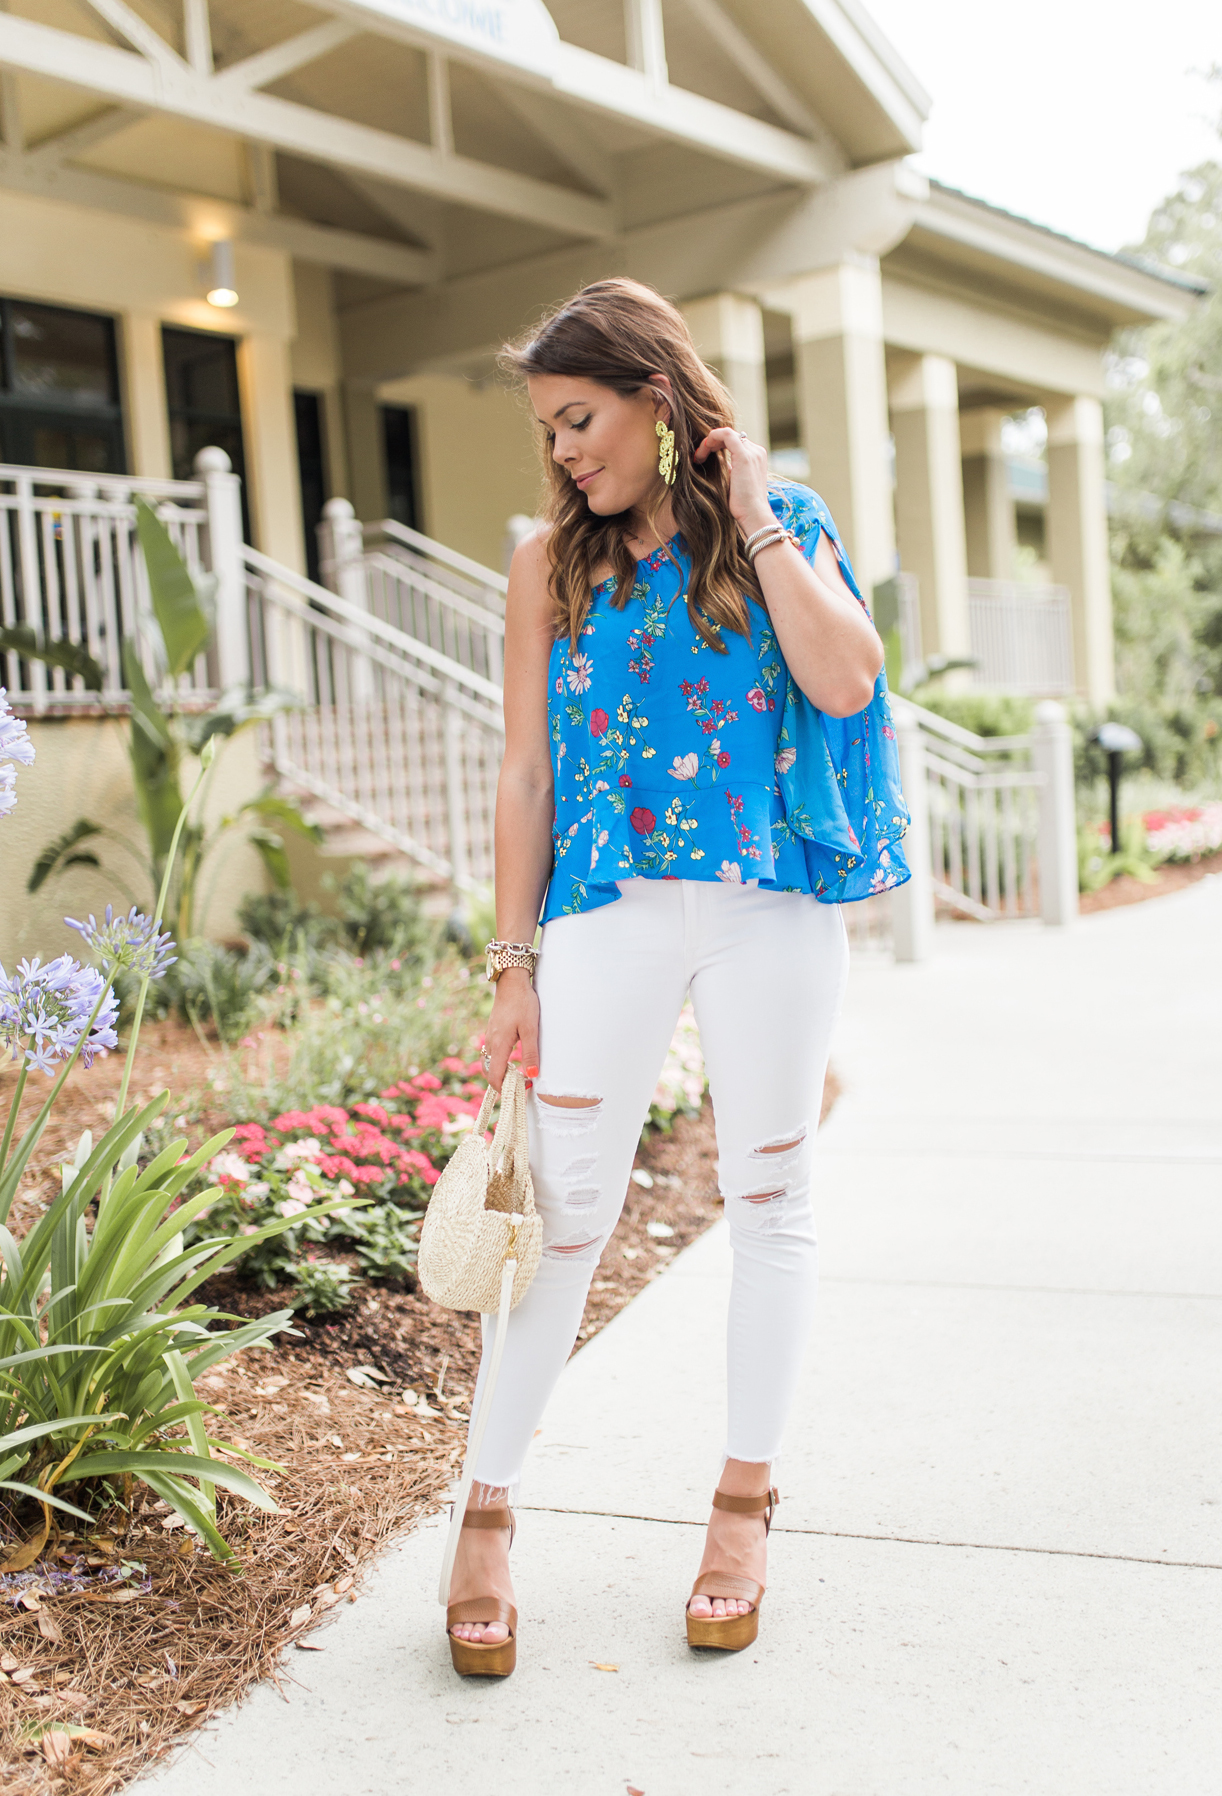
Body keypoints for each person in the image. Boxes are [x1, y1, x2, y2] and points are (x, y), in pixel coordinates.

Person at [443, 278, 909, 1677]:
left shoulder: (778, 525)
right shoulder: (545, 561)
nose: (564, 451)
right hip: (606, 915)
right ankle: (483, 1514)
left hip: (766, 913)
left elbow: (845, 679)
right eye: (548, 429)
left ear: (658, 398)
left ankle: (741, 1506)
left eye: (580, 418)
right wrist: (513, 960)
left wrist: (755, 507)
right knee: (567, 1214)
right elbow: (525, 770)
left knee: (769, 1197)